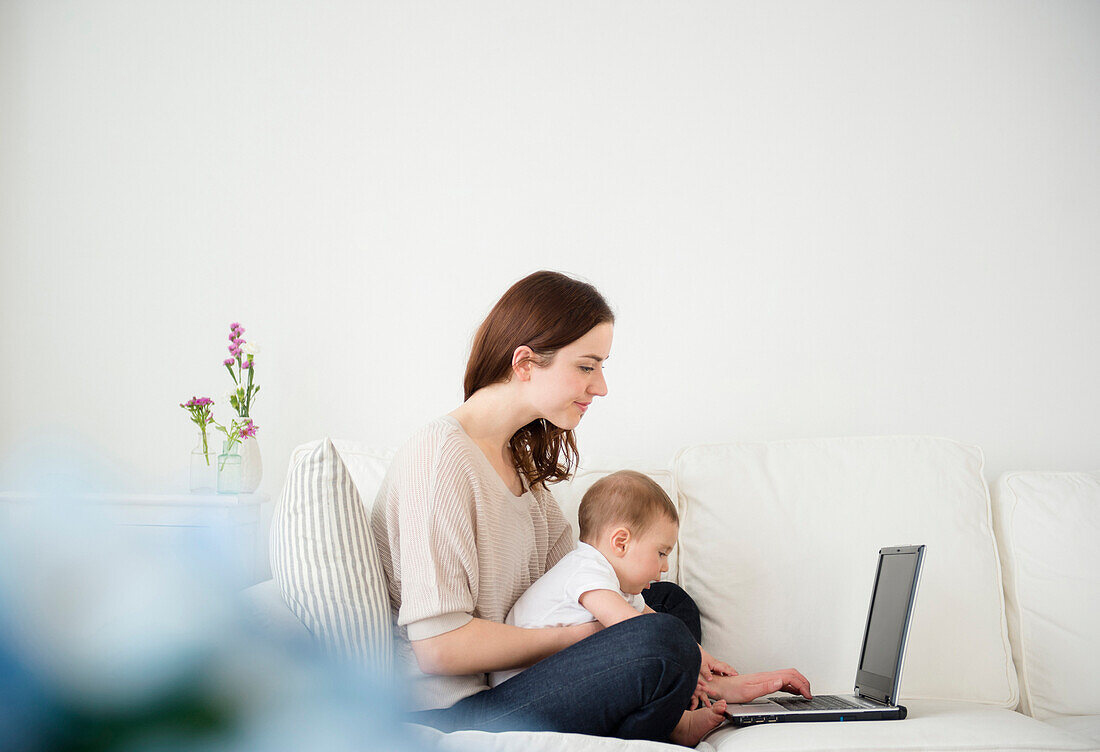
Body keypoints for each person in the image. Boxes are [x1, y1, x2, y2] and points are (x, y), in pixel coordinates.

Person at [370, 270, 811, 743]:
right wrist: (587, 638)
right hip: (457, 710)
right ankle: (670, 718)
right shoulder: (440, 460)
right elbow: (439, 649)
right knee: (659, 640)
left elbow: (584, 581)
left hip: (517, 678)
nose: (600, 386)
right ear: (525, 363)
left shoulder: (522, 472)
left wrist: (632, 629)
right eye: (586, 366)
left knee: (666, 602)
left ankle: (697, 691)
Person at [491, 470, 742, 745]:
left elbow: (649, 617)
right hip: (528, 691)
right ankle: (675, 726)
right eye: (661, 553)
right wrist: (684, 666)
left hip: (564, 677)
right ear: (620, 542)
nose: (665, 566)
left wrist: (703, 658)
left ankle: (676, 720)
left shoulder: (614, 581)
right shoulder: (585, 570)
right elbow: (635, 631)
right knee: (664, 636)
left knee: (672, 609)